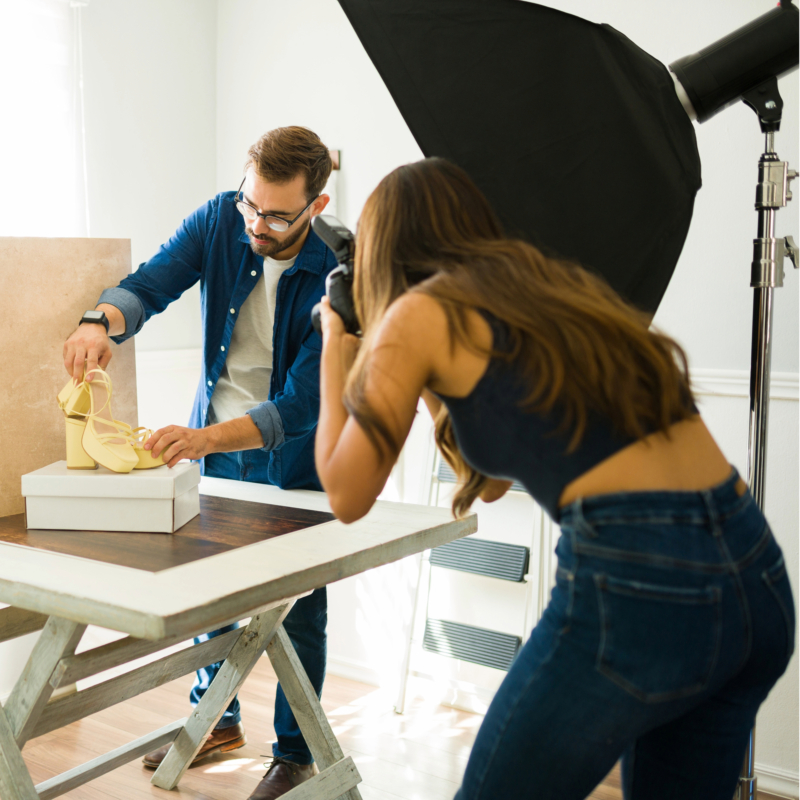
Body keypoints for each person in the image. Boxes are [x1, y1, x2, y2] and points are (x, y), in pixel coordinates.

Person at [314, 157, 795, 800]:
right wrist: (423, 386)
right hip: (753, 574)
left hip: (643, 579)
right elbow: (485, 481)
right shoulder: (547, 289)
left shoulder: (418, 315)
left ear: (379, 257)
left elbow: (345, 494)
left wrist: (334, 343)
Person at [62, 126, 338, 799]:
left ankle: (297, 754)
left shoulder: (342, 270)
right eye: (251, 204)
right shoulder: (221, 217)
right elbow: (152, 283)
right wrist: (101, 320)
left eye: (275, 214)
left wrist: (204, 441)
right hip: (213, 440)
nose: (256, 223)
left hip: (293, 460)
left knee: (297, 610)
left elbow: (303, 403)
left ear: (317, 205)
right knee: (211, 588)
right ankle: (213, 721)